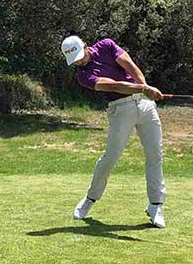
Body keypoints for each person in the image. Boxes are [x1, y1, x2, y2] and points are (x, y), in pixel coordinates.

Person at [61, 33, 167, 228]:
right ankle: (90, 198)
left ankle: (156, 205)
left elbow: (130, 66)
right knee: (110, 157)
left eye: (80, 56)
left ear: (85, 45)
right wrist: (143, 89)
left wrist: (145, 88)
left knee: (155, 155)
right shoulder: (83, 76)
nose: (79, 62)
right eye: (74, 61)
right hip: (120, 109)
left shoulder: (106, 45)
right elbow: (113, 86)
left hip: (145, 106)